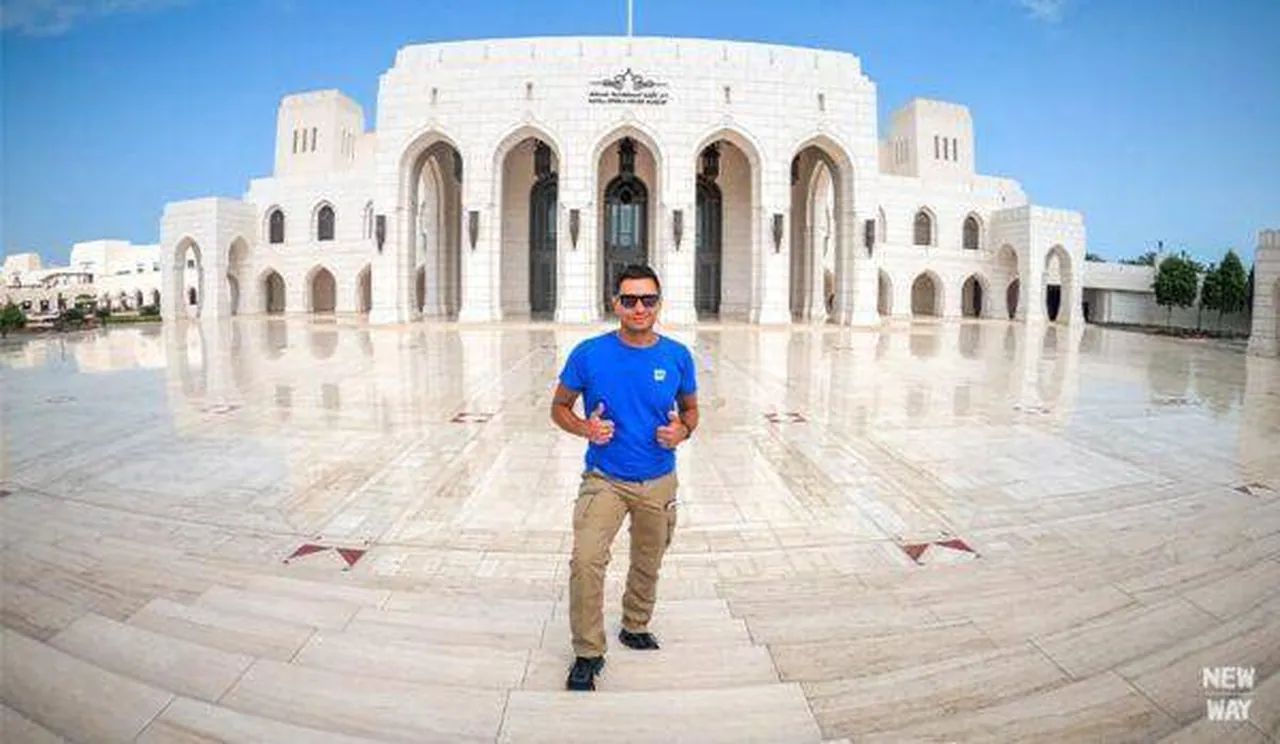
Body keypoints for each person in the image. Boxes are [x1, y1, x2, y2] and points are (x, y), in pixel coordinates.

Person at [550, 263, 699, 691]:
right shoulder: (589, 354)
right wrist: (585, 428)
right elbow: (558, 407)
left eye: (647, 300)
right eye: (629, 299)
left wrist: (682, 431)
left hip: (659, 478)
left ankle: (635, 624)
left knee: (648, 559)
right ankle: (588, 652)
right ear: (615, 303)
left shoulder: (677, 356)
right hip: (605, 478)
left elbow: (691, 410)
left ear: (658, 304)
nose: (639, 308)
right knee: (585, 560)